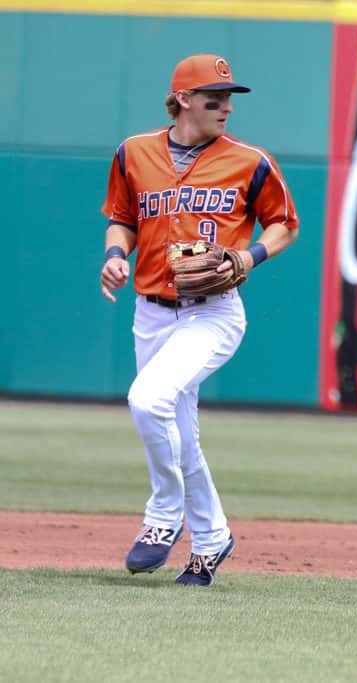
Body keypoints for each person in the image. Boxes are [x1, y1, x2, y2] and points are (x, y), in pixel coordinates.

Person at [99, 54, 299, 586]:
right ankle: (211, 541)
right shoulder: (134, 152)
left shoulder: (250, 161)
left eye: (230, 97)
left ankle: (163, 516)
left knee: (148, 400)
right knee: (180, 435)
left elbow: (284, 224)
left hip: (213, 312)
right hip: (151, 312)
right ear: (184, 99)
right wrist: (115, 256)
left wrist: (249, 257)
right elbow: (122, 219)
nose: (226, 107)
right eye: (216, 97)